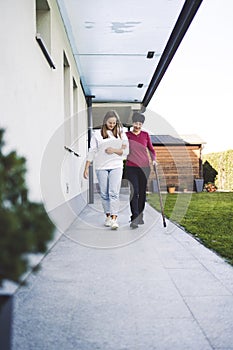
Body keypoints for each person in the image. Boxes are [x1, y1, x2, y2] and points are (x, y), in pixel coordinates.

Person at [83, 110, 129, 230]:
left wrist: (113, 150)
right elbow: (91, 151)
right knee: (104, 194)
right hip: (101, 167)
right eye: (110, 122)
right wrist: (86, 168)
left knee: (113, 192)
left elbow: (125, 151)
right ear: (105, 121)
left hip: (116, 166)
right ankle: (108, 216)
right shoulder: (97, 134)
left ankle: (114, 219)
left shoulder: (121, 133)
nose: (112, 125)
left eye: (114, 123)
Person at [125, 112, 156, 229]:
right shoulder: (126, 135)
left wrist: (154, 160)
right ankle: (134, 217)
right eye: (136, 123)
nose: (138, 126)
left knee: (142, 193)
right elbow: (122, 148)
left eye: (140, 124)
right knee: (134, 192)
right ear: (132, 123)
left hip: (144, 167)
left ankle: (140, 215)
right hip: (131, 167)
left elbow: (152, 150)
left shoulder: (145, 135)